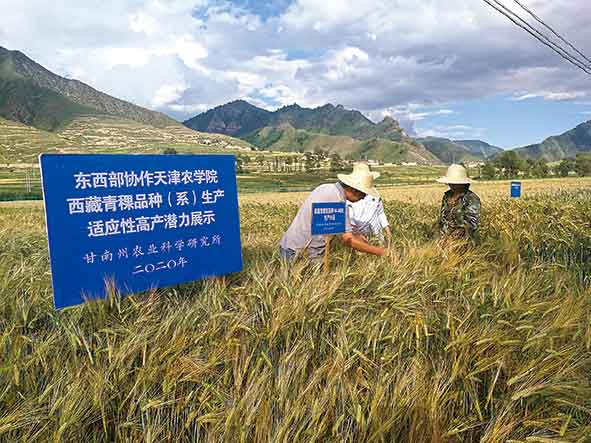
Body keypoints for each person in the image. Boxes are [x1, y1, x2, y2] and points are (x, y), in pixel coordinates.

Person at [279, 163, 387, 260]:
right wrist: (382, 252)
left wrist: (356, 235)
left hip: (290, 246)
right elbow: (348, 240)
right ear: (354, 190)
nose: (363, 198)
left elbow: (335, 226)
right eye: (363, 194)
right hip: (299, 252)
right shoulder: (337, 201)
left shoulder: (326, 188)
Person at [436, 164, 481, 241]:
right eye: (450, 182)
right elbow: (442, 219)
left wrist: (452, 238)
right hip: (443, 239)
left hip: (464, 241)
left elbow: (472, 224)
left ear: (463, 183)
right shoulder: (447, 196)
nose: (452, 185)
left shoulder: (471, 198)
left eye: (455, 183)